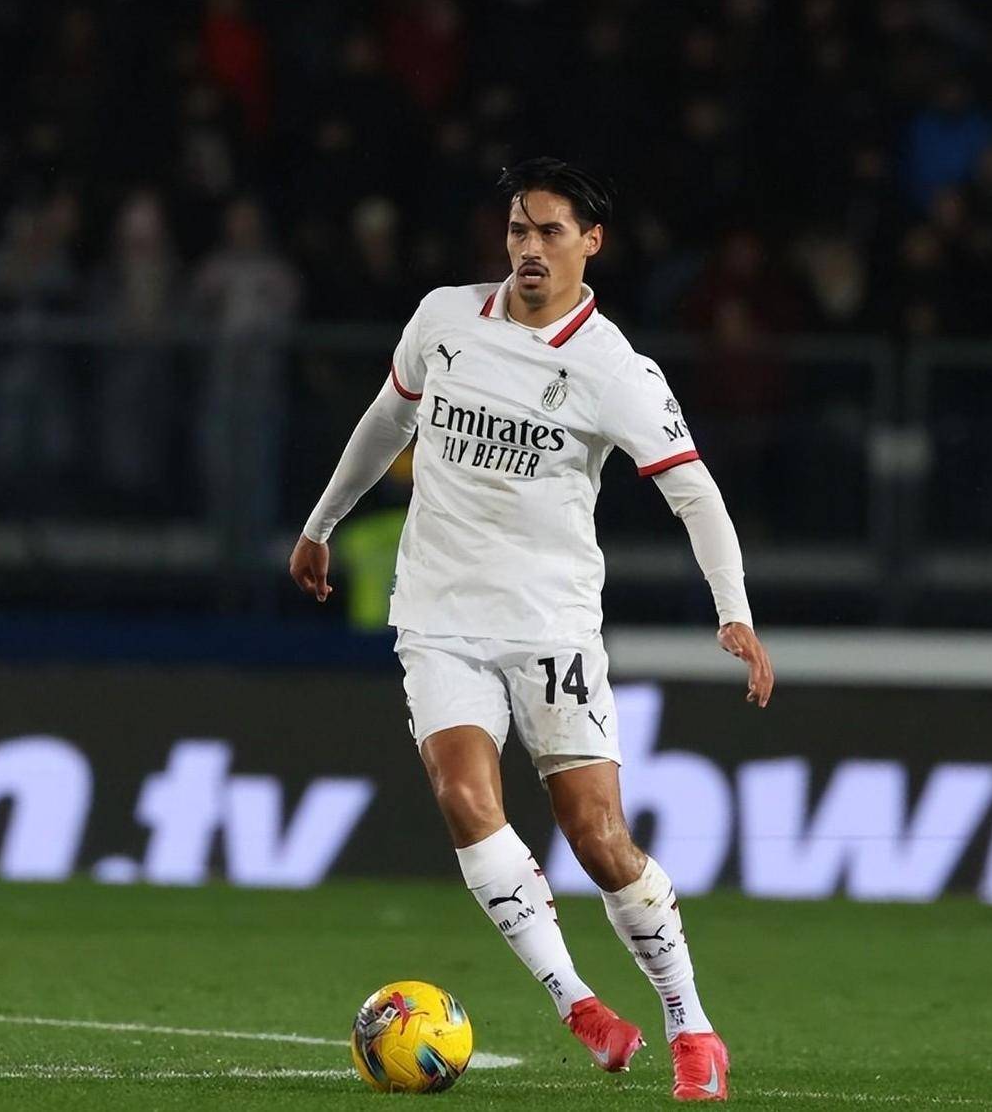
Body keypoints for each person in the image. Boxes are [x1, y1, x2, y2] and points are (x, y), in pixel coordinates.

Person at [290, 158, 774, 1102]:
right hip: (438, 615)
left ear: (591, 243)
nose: (530, 248)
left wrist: (735, 611)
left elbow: (694, 491)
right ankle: (578, 1003)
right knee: (466, 800)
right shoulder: (443, 319)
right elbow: (386, 421)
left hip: (551, 625)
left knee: (598, 838)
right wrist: (321, 523)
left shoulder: (613, 368)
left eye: (551, 231)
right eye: (519, 229)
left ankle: (691, 1024)